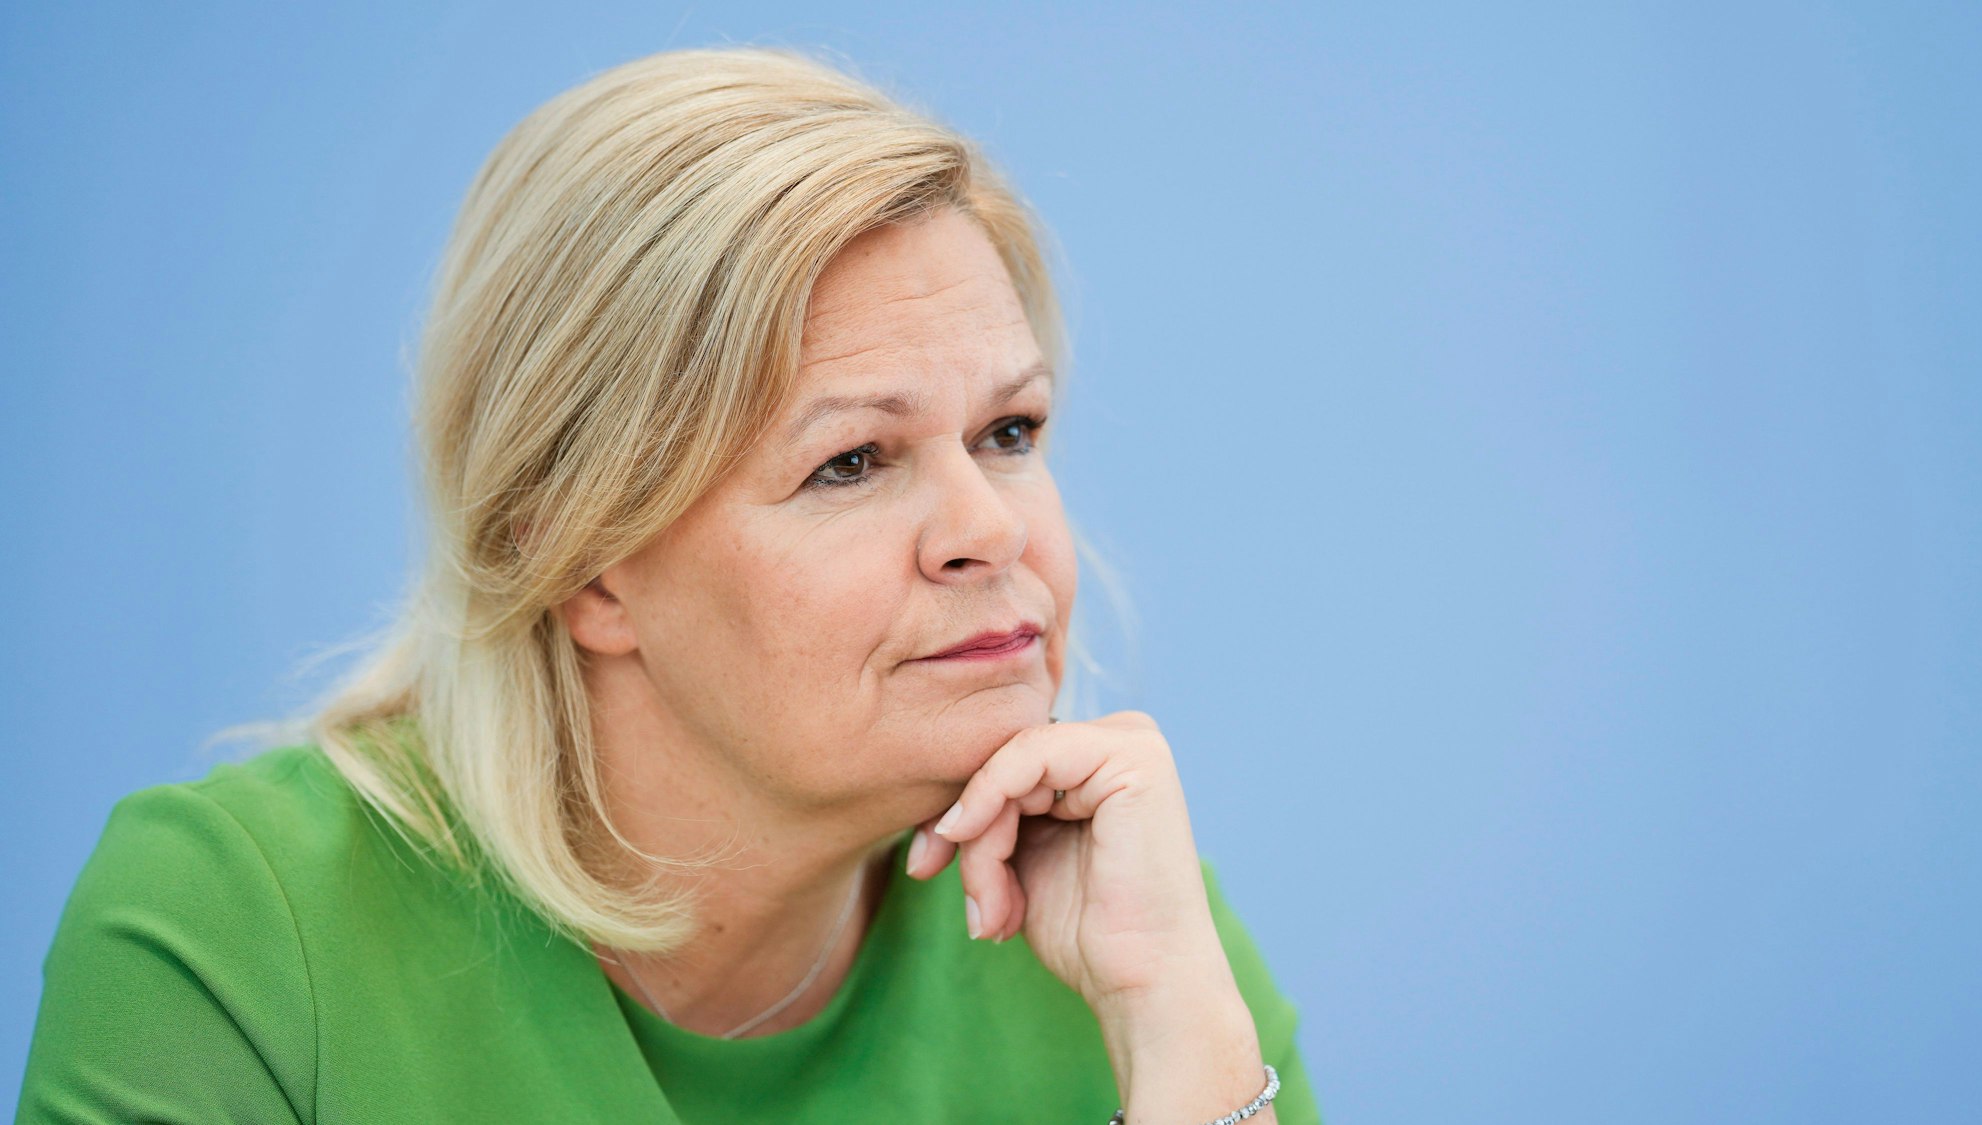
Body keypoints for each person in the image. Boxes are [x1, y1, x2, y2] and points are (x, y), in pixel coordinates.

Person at [17, 45, 1320, 1124]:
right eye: (852, 460)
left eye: (1010, 433)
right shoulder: (238, 927)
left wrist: (1189, 1055)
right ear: (579, 563)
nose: (992, 530)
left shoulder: (1137, 935)